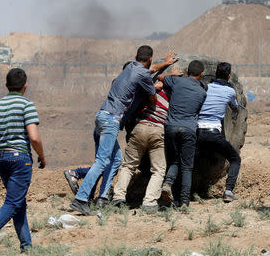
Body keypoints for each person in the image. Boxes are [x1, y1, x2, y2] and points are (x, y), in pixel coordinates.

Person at [63, 54, 178, 204]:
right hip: (110, 121)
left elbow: (151, 70)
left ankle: (101, 198)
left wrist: (164, 65)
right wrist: (159, 84)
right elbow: (151, 94)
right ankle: (81, 197)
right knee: (103, 162)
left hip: (102, 120)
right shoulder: (135, 88)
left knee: (114, 161)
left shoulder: (121, 80)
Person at [0, 68, 46, 255]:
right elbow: (34, 138)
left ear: (6, 85)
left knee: (18, 202)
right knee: (13, 202)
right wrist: (42, 156)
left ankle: (27, 248)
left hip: (1, 158)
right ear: (25, 86)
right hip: (20, 159)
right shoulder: (27, 105)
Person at [111, 66, 181, 210]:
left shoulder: (149, 91)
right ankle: (149, 202)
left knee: (128, 165)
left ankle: (118, 197)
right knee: (158, 169)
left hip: (140, 128)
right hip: (158, 131)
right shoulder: (174, 97)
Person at [159, 60, 207, 207]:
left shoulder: (177, 82)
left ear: (187, 72)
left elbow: (160, 77)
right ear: (201, 74)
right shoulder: (202, 92)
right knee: (187, 167)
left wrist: (172, 75)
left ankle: (167, 183)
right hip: (189, 129)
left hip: (171, 127)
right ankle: (185, 202)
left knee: (173, 161)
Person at [196, 62, 241, 203]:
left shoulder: (205, 87)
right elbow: (234, 108)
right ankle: (228, 191)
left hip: (197, 132)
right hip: (214, 133)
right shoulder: (230, 91)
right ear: (228, 76)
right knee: (235, 159)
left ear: (215, 72)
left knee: (188, 159)